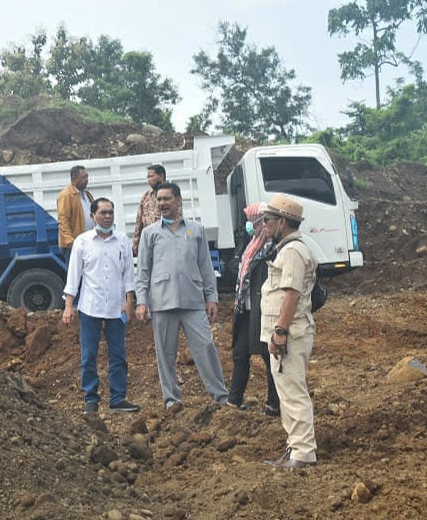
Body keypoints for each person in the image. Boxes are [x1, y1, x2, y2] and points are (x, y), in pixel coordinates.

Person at [134, 183, 229, 413]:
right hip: (162, 301)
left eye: (167, 199)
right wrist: (142, 300)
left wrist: (211, 297)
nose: (162, 204)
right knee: (165, 353)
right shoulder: (150, 233)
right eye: (159, 200)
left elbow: (205, 266)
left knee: (206, 346)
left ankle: (220, 396)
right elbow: (143, 270)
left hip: (193, 300)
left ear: (179, 201)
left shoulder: (196, 230)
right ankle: (172, 399)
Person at [62, 197, 139, 414]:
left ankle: (117, 399)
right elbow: (74, 275)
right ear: (92, 216)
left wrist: (130, 301)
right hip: (90, 307)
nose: (107, 217)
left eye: (110, 213)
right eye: (103, 213)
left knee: (118, 354)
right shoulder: (83, 242)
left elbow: (128, 274)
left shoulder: (122, 240)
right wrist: (69, 306)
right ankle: (91, 399)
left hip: (117, 308)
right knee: (89, 355)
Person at [259, 193, 318, 470]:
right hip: (288, 331)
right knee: (286, 391)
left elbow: (292, 294)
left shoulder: (293, 251)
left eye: (268, 220)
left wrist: (280, 331)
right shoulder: (287, 248)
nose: (265, 225)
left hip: (291, 333)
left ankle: (303, 454)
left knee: (293, 391)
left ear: (282, 222)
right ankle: (296, 447)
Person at [226, 202, 280, 416]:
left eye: (252, 221)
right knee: (239, 354)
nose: (249, 225)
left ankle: (274, 404)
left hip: (263, 310)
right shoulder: (250, 244)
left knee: (269, 356)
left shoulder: (273, 249)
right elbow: (235, 268)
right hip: (245, 310)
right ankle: (234, 400)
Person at [56, 165, 94, 261]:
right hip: (74, 245)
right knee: (75, 274)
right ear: (74, 178)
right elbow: (63, 220)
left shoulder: (86, 194)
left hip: (87, 242)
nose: (87, 180)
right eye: (83, 177)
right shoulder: (66, 195)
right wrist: (70, 242)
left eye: (87, 176)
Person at [132, 164, 167, 257]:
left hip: (165, 241)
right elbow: (139, 221)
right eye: (147, 177)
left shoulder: (171, 194)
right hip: (148, 242)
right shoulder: (146, 196)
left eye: (151, 176)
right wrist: (136, 245)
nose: (148, 180)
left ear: (161, 176)